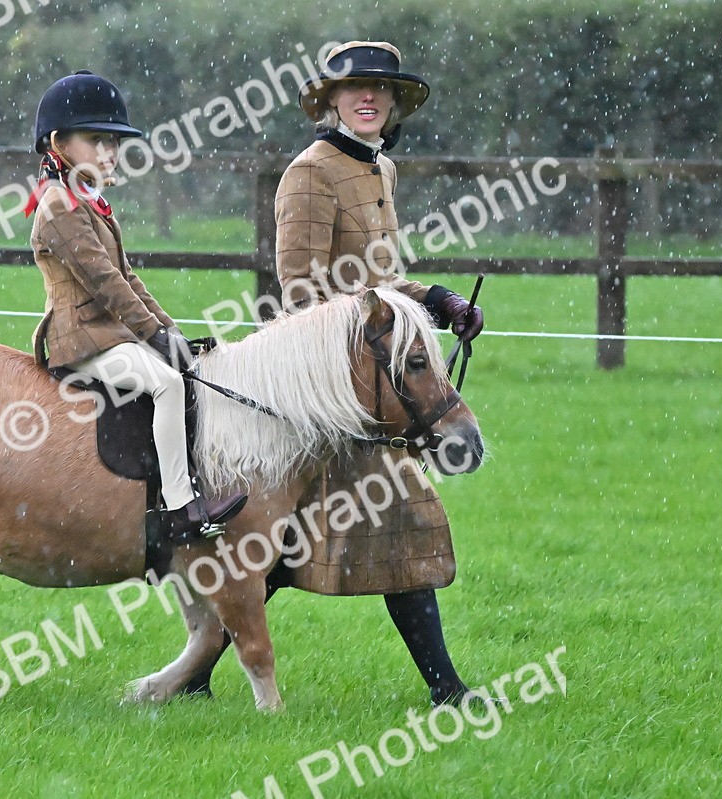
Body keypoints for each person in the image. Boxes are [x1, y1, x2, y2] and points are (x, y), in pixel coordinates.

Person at [275, 41, 486, 705]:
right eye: (353, 88)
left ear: (394, 104)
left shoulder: (382, 170)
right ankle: (448, 691)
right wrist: (375, 343)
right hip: (338, 386)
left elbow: (380, 279)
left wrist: (439, 301)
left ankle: (192, 673)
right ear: (330, 100)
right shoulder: (310, 172)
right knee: (401, 520)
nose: (368, 98)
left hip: (376, 380)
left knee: (282, 544)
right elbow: (301, 293)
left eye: (381, 90)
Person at [26, 70, 247, 538]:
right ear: (57, 142)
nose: (110, 152)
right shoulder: (58, 206)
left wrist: (170, 330)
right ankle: (180, 507)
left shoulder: (88, 201)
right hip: (82, 340)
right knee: (167, 382)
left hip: (109, 333)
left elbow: (129, 277)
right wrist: (153, 336)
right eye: (96, 140)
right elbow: (106, 283)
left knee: (184, 368)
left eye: (114, 142)